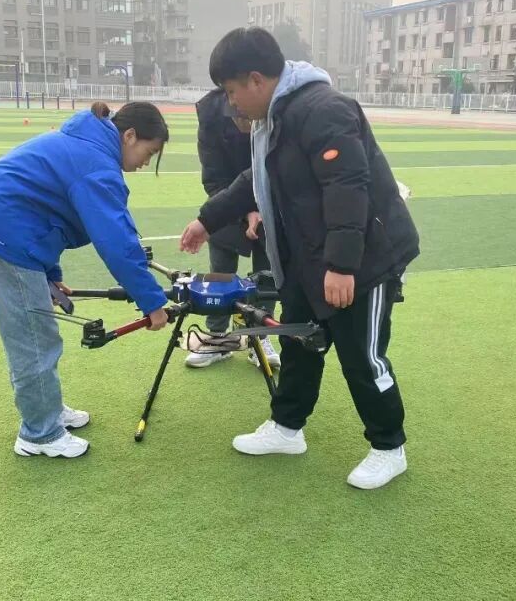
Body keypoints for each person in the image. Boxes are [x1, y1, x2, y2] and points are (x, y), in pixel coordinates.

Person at [180, 27, 420, 490]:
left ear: (256, 79)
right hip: (308, 258)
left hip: (364, 261)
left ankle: (389, 447)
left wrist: (343, 266)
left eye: (231, 91)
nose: (231, 102)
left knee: (362, 357)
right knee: (297, 343)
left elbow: (348, 186)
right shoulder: (275, 119)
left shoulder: (324, 109)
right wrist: (207, 221)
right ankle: (287, 428)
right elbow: (255, 180)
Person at [0, 102, 171, 458]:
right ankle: (39, 434)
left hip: (7, 229)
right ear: (130, 136)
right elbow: (117, 242)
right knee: (34, 340)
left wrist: (50, 276)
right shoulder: (96, 164)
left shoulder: (86, 147)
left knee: (38, 333)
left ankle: (47, 411)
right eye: (149, 152)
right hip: (5, 236)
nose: (146, 162)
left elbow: (45, 209)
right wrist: (152, 302)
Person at [187, 88, 280, 370]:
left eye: (250, 120)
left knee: (268, 273)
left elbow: (279, 169)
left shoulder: (275, 113)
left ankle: (258, 337)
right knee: (221, 270)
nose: (247, 125)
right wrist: (244, 210)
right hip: (225, 200)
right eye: (240, 120)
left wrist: (261, 207)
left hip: (271, 202)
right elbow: (213, 179)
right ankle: (218, 337)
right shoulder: (210, 120)